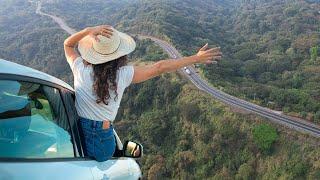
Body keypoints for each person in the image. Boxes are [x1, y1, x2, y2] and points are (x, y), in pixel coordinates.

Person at [64, 25, 222, 162]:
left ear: (91, 52)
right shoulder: (122, 74)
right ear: (119, 55)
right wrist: (195, 58)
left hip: (73, 129)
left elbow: (68, 45)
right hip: (101, 138)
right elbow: (159, 67)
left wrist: (88, 31)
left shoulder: (79, 68)